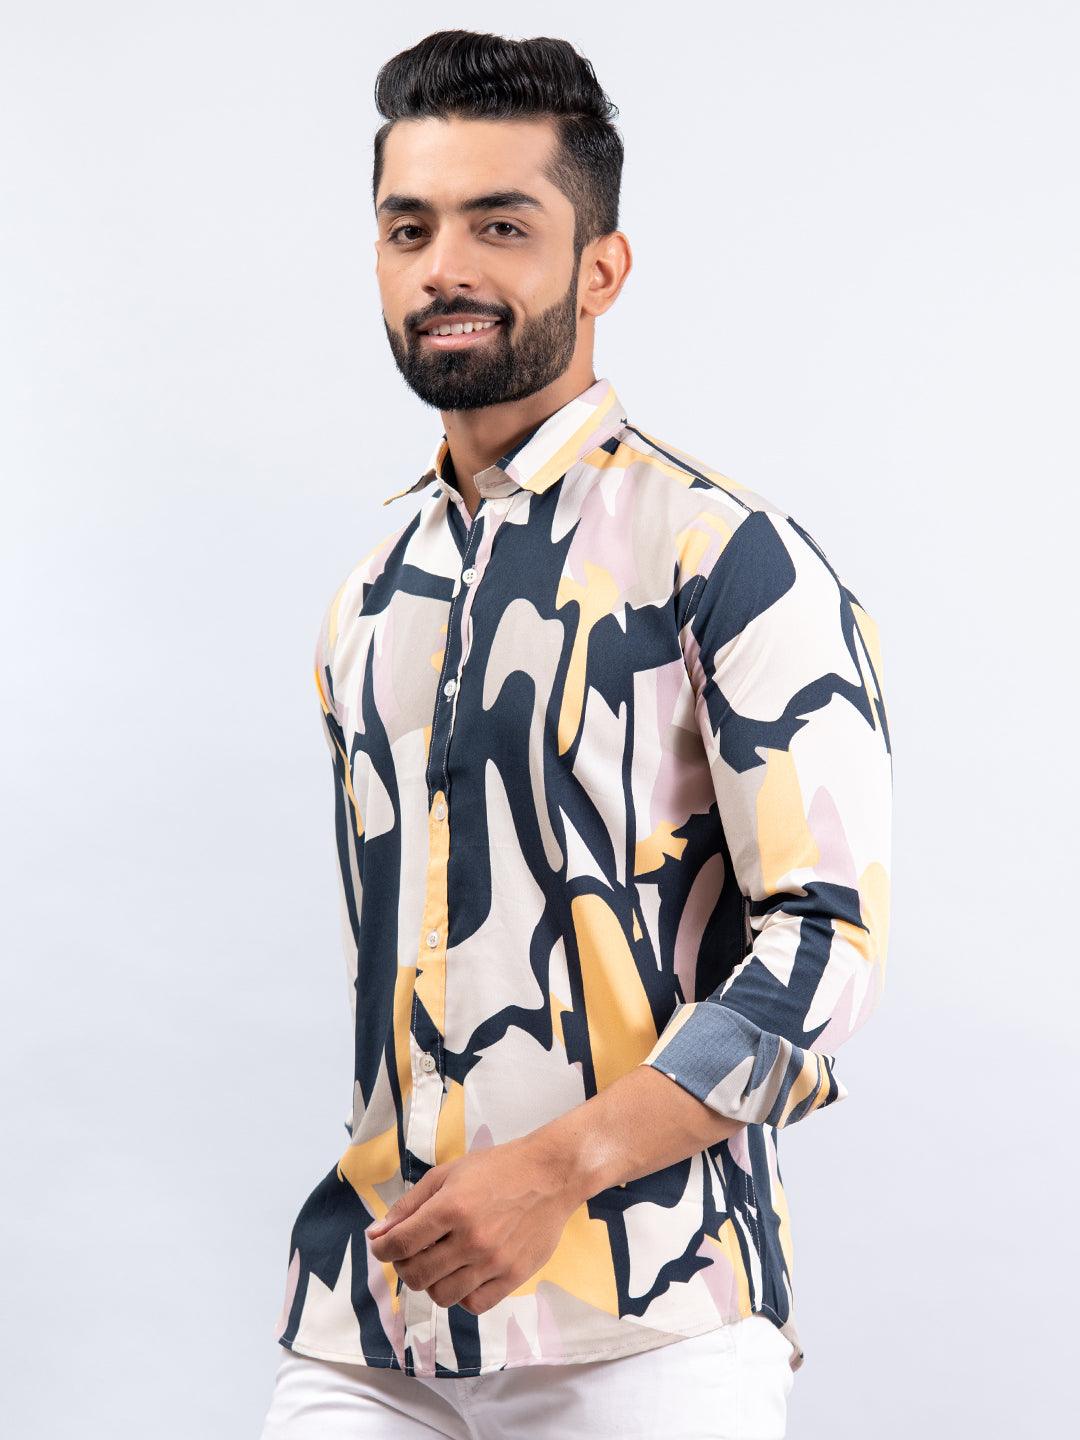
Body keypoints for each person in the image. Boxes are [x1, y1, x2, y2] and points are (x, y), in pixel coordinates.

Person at [259, 27, 892, 1440]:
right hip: (376, 1313)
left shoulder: (726, 556)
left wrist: (554, 1170)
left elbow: (826, 946)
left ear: (602, 268)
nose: (445, 268)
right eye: (410, 228)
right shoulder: (373, 593)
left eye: (501, 225)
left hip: (648, 1324)